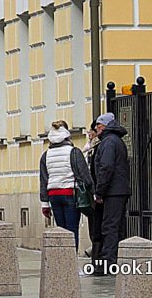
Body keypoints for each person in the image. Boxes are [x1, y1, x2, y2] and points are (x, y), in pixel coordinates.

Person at [38, 119, 94, 250]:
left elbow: (43, 180)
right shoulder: (74, 152)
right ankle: (71, 264)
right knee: (71, 230)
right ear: (67, 134)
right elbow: (85, 175)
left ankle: (61, 262)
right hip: (70, 194)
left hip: (53, 196)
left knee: (61, 231)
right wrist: (93, 193)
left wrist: (45, 203)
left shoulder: (45, 155)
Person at [92, 112, 130, 273]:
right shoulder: (116, 141)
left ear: (104, 127)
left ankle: (109, 263)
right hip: (118, 190)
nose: (96, 130)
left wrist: (99, 192)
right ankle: (115, 260)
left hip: (112, 191)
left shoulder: (108, 142)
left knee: (109, 226)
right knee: (117, 226)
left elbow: (106, 167)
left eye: (98, 127)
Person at [82, 123, 103, 261]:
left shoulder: (98, 147)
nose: (89, 134)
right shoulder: (89, 148)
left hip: (96, 192)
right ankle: (96, 253)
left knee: (97, 226)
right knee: (93, 225)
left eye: (92, 131)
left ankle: (98, 255)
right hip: (91, 192)